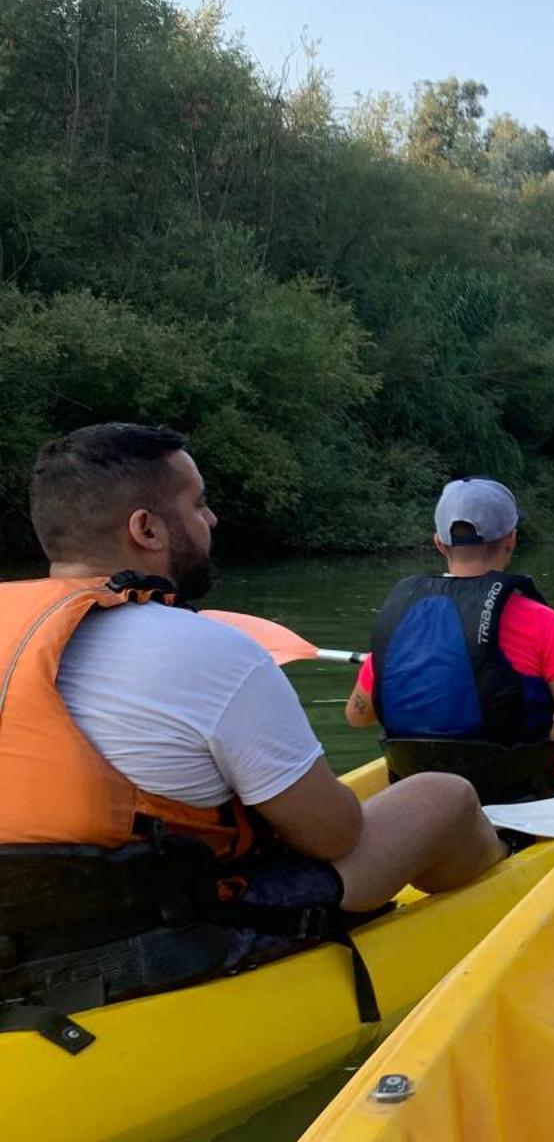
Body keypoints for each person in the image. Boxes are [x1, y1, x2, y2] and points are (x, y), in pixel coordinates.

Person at [0, 424, 506, 1042]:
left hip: (20, 940)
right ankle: (493, 906)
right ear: (147, 529)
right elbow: (335, 835)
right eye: (198, 503)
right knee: (443, 795)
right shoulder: (210, 651)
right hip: (166, 937)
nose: (211, 519)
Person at [344, 477, 554, 801]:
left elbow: (358, 716)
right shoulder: (540, 621)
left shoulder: (401, 618)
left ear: (439, 543)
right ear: (511, 540)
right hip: (515, 792)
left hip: (415, 779)